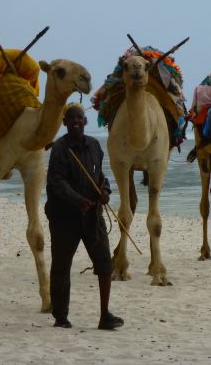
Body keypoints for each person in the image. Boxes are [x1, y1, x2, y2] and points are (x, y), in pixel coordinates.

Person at [45, 103, 124, 330]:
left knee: (105, 265)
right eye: (71, 119)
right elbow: (56, 182)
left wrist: (105, 191)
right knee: (61, 267)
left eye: (79, 117)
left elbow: (101, 176)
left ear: (85, 121)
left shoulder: (94, 145)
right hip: (64, 218)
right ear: (65, 123)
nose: (76, 122)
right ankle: (61, 317)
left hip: (92, 216)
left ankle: (104, 316)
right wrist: (77, 199)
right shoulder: (60, 148)